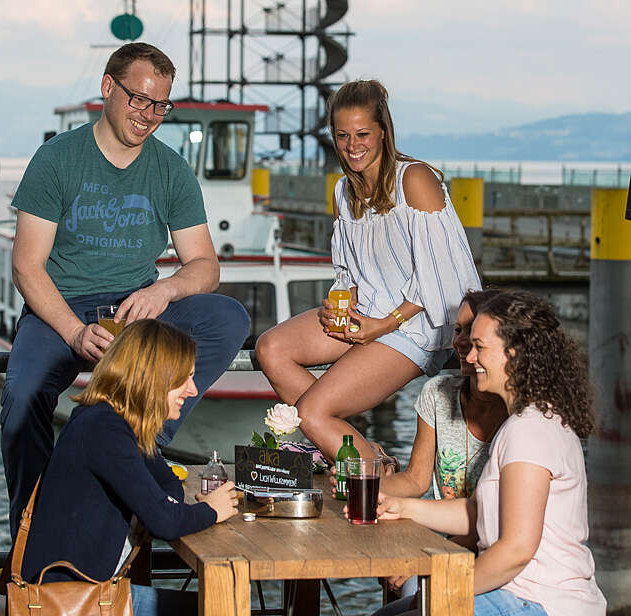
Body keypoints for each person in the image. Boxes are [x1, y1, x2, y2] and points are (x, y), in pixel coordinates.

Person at [1, 42, 250, 537]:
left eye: (160, 104)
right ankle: (31, 534)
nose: (149, 115)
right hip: (61, 306)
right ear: (107, 88)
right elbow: (27, 268)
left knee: (227, 317)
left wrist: (167, 290)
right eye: (139, 99)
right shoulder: (57, 159)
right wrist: (74, 332)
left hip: (137, 309)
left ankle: (140, 441)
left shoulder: (171, 169)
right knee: (22, 398)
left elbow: (205, 265)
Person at [256, 79, 480, 461]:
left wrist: (384, 324)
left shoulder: (415, 180)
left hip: (415, 324)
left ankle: (371, 476)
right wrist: (340, 305)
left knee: (311, 413)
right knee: (270, 348)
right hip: (370, 313)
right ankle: (359, 448)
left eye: (362, 133)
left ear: (383, 132)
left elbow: (446, 280)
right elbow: (349, 273)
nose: (352, 145)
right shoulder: (343, 193)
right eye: (342, 135)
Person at [376, 290, 607, 616]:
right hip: (521, 593)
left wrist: (439, 588)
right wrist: (400, 506)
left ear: (513, 354)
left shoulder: (530, 430)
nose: (470, 358)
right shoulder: (527, 421)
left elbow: (516, 550)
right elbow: (477, 511)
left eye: (480, 348)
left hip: (541, 601)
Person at [20, 319, 239, 615]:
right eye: (184, 378)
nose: (193, 389)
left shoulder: (111, 420)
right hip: (71, 600)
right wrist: (212, 509)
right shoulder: (105, 431)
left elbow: (166, 487)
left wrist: (162, 509)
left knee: (214, 606)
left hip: (92, 590)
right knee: (220, 608)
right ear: (155, 378)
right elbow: (166, 521)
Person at [370, 288, 506, 615]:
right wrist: (359, 485)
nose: (460, 341)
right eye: (457, 330)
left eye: (472, 333)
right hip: (449, 545)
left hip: (493, 554)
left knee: (409, 592)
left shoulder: (520, 416)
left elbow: (502, 526)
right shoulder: (438, 393)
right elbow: (417, 480)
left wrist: (429, 557)